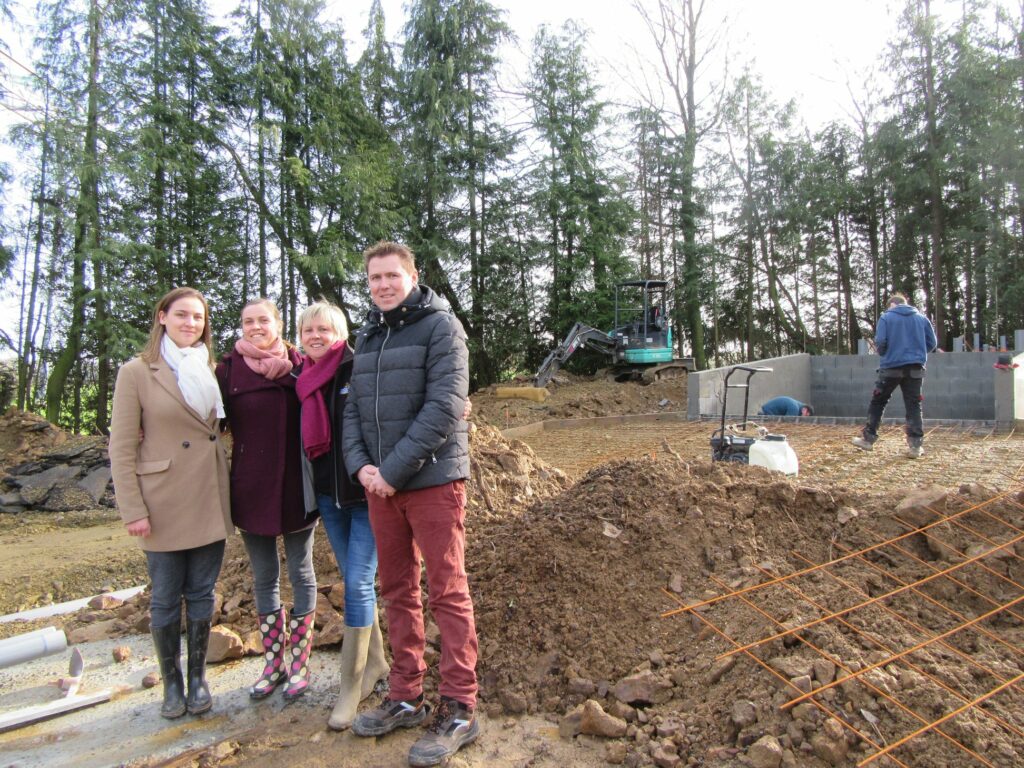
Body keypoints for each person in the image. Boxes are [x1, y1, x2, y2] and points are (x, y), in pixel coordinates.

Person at [344, 241, 478, 767]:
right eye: (374, 277)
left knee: (447, 591)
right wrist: (363, 469)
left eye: (391, 275)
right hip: (382, 488)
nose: (382, 285)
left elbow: (445, 405)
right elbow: (352, 412)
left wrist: (392, 472)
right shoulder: (370, 335)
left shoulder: (442, 327)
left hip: (433, 483)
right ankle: (405, 694)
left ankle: (461, 707)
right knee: (397, 589)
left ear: (412, 276)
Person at [109, 287, 232, 719]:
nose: (190, 324)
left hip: (210, 495)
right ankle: (171, 684)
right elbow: (121, 448)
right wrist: (133, 509)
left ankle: (198, 679)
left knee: (201, 592)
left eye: (198, 318)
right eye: (181, 315)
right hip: (161, 501)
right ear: (162, 317)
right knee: (164, 598)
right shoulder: (137, 372)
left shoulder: (211, 368)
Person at [294, 301, 389, 729]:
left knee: (356, 582)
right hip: (329, 498)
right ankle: (377, 665)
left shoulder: (358, 367)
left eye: (324, 329)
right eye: (308, 329)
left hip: (365, 495)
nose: (316, 335)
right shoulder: (301, 379)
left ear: (341, 332)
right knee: (357, 581)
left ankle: (350, 687)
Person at [216, 298, 317, 701]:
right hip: (249, 487)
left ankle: (300, 664)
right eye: (247, 321)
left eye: (263, 320)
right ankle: (273, 662)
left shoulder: (300, 363)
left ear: (278, 324)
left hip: (296, 487)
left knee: (302, 572)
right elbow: (207, 422)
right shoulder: (227, 370)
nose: (255, 327)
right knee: (264, 578)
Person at [852, 293, 938, 458]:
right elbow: (932, 343)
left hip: (891, 367)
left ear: (893, 305)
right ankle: (915, 447)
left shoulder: (886, 318)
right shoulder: (921, 318)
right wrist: (917, 354)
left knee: (879, 401)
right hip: (915, 368)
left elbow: (881, 342)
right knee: (913, 405)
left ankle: (868, 440)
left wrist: (886, 354)